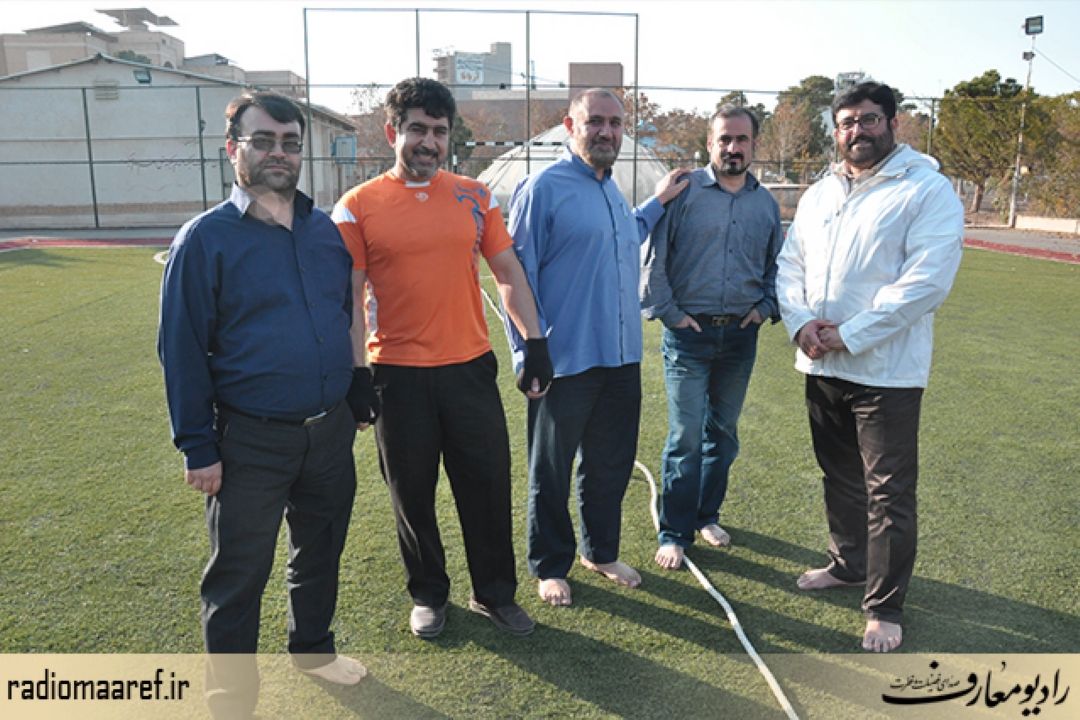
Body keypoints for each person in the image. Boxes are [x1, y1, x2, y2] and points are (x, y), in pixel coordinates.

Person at [158, 91, 374, 717]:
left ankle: (313, 650)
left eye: (290, 143)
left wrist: (356, 384)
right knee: (238, 576)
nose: (279, 153)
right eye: (263, 141)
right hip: (248, 442)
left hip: (328, 433)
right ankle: (231, 702)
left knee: (320, 551)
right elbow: (180, 349)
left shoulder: (323, 230)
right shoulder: (205, 239)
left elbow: (342, 313)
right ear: (234, 149)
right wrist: (197, 446)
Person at [332, 78, 551, 640]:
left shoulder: (475, 196)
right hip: (396, 375)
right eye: (417, 129)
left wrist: (535, 342)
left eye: (439, 131)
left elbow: (507, 272)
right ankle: (428, 594)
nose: (429, 142)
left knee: (487, 487)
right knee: (411, 494)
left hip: (469, 369)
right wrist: (356, 373)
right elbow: (350, 298)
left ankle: (494, 593)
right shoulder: (357, 206)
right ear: (392, 132)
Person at [776, 81, 963, 653]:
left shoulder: (925, 189)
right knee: (839, 478)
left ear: (893, 123)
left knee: (888, 494)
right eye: (847, 122)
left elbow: (926, 282)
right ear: (836, 131)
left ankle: (884, 607)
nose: (858, 130)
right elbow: (790, 265)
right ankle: (848, 564)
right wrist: (801, 323)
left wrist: (849, 335)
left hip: (886, 373)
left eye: (869, 119)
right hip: (822, 366)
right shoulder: (820, 193)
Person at [506, 88, 689, 607]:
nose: (606, 131)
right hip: (563, 361)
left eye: (615, 123)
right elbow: (515, 273)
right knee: (551, 468)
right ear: (571, 125)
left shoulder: (612, 191)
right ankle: (549, 565)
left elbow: (629, 231)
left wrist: (659, 201)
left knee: (610, 465)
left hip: (621, 357)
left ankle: (600, 552)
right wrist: (528, 352)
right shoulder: (542, 188)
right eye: (595, 122)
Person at [641, 104, 782, 571]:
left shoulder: (765, 204)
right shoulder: (682, 193)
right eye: (724, 139)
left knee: (722, 435)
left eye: (741, 139)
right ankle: (674, 533)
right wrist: (671, 314)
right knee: (685, 436)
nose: (732, 148)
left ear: (754, 145)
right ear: (710, 143)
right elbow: (655, 260)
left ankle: (706, 515)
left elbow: (777, 265)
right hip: (690, 336)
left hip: (740, 336)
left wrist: (765, 308)